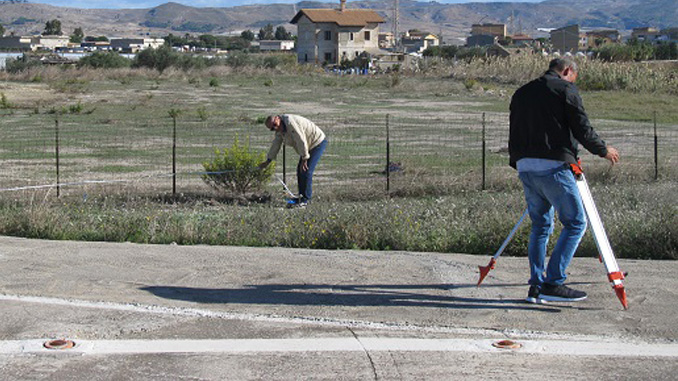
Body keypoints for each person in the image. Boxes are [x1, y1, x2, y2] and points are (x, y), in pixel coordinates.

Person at [509, 58, 620, 304]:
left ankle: (536, 285)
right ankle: (554, 282)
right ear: (567, 71)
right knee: (575, 223)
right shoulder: (565, 89)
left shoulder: (522, 92)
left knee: (540, 225)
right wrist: (602, 150)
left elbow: (514, 128)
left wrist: (518, 161)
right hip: (554, 165)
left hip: (526, 166)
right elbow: (581, 126)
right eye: (573, 77)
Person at [259, 114, 328, 208]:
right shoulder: (280, 130)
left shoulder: (290, 122)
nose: (275, 128)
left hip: (317, 142)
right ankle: (301, 197)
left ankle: (305, 200)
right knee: (300, 170)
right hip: (307, 145)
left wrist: (304, 158)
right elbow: (276, 145)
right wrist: (268, 161)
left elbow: (301, 140)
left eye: (275, 124)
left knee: (306, 170)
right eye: (272, 129)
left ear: (278, 118)